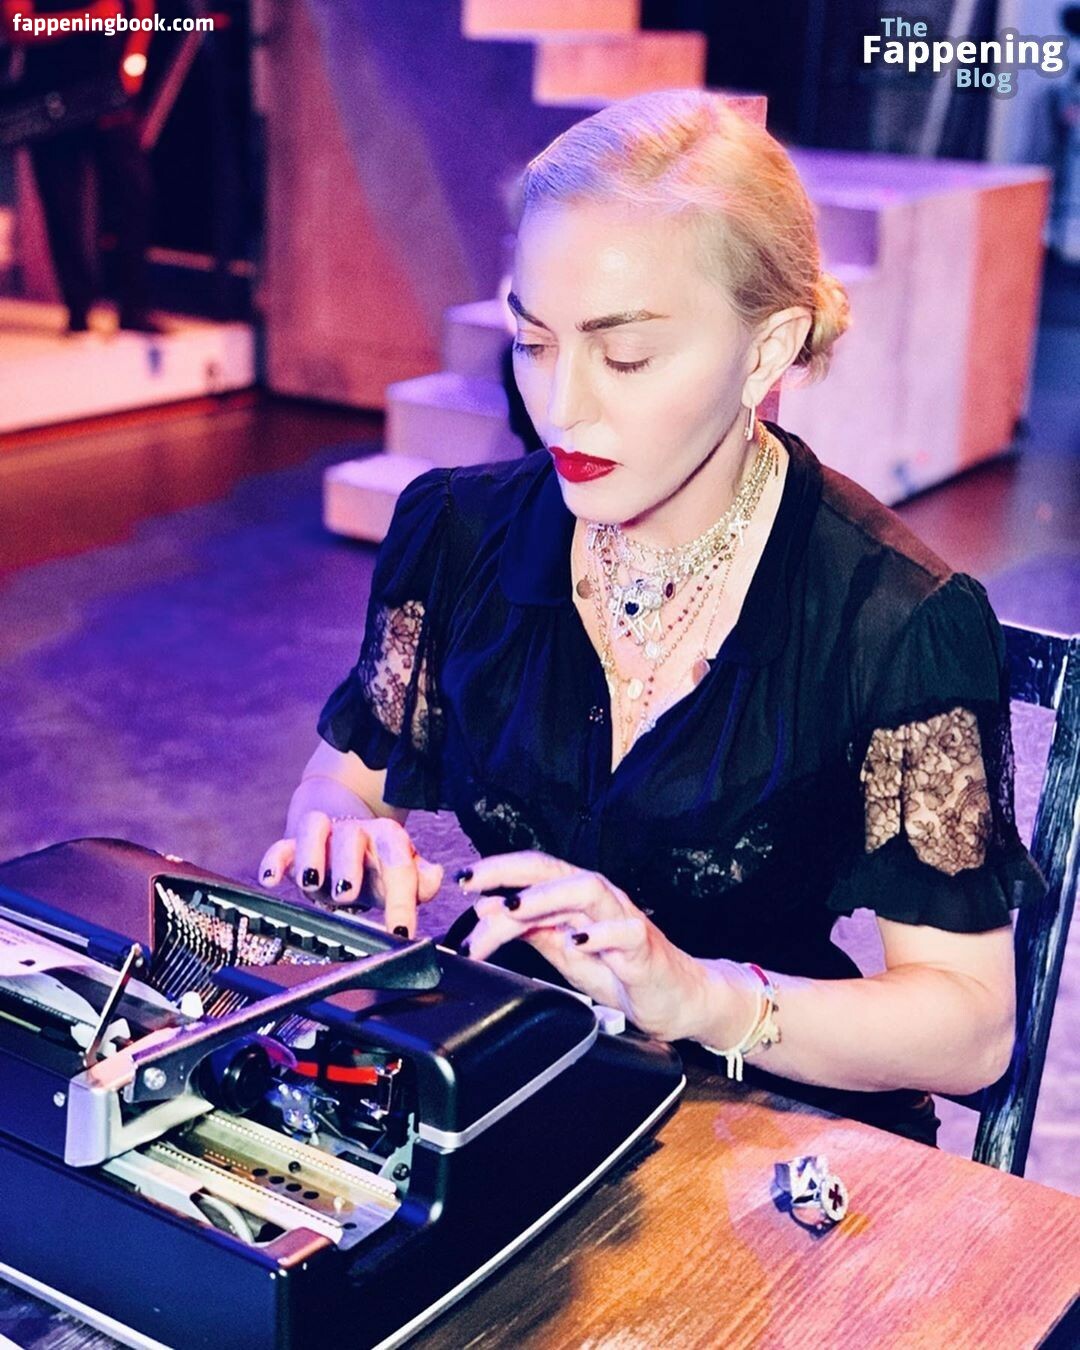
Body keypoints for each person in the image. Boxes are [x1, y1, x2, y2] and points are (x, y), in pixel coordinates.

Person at [258, 90, 1047, 1147]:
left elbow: (971, 1030)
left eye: (623, 357)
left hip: (772, 1122)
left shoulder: (893, 616)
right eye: (533, 342)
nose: (561, 407)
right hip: (519, 1074)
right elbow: (345, 783)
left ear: (766, 352)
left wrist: (697, 997)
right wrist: (343, 833)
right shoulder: (455, 533)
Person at [2, 0, 160, 333]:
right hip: (50, 94)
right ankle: (78, 307)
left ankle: (134, 305)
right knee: (62, 202)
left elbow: (143, 7)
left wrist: (135, 59)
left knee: (133, 190)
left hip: (107, 84)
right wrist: (88, 17)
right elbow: (18, 27)